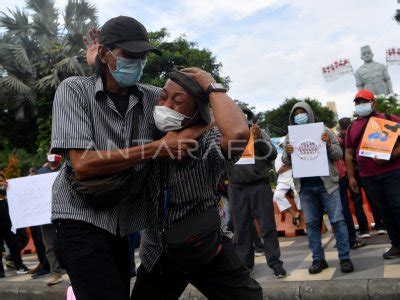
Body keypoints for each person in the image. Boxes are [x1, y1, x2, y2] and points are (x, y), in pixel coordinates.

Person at [51, 16, 197, 300]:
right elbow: (83, 165)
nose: (138, 63)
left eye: (142, 56)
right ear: (105, 54)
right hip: (80, 217)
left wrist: (210, 88)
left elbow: (203, 117)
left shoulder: (152, 98)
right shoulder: (73, 91)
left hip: (123, 223)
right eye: (130, 56)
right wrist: (157, 148)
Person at [131, 67, 263, 300]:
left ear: (194, 112)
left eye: (178, 101)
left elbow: (238, 133)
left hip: (205, 245)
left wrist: (211, 84)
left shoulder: (209, 142)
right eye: (163, 96)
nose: (166, 106)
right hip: (158, 251)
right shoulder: (147, 133)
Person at [283, 101, 354, 274]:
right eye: (296, 114)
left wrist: (328, 143)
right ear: (293, 118)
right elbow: (285, 161)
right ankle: (318, 259)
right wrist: (288, 152)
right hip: (305, 187)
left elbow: (338, 154)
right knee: (313, 224)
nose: (300, 116)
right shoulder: (289, 137)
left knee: (338, 221)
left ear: (310, 113)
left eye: (303, 112)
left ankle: (345, 258)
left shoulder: (325, 131)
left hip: (327, 185)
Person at [226, 108, 287, 279]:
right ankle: (245, 266)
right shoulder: (226, 132)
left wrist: (259, 138)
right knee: (241, 229)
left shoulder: (257, 131)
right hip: (236, 187)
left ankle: (276, 264)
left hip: (259, 186)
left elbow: (273, 154)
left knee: (267, 227)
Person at [345, 89, 400, 259]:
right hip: (368, 177)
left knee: (398, 207)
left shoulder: (389, 119)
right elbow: (348, 153)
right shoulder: (352, 127)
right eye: (358, 103)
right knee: (384, 211)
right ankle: (396, 245)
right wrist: (352, 177)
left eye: (364, 101)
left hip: (393, 172)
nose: (361, 105)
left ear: (373, 103)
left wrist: (392, 155)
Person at [337, 118, 371, 238]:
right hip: (365, 170)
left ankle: (363, 229)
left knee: (357, 201)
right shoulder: (357, 134)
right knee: (372, 198)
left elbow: (342, 157)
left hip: (350, 174)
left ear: (340, 128)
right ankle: (380, 225)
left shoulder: (340, 140)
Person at [36, 154, 65, 285]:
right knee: (49, 245)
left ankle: (73, 270)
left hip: (64, 212)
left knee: (69, 241)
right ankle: (56, 273)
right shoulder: (40, 172)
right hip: (45, 214)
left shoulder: (66, 167)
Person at [0, 172, 29, 277]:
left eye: (2, 180)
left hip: (9, 223)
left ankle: (19, 265)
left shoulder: (9, 192)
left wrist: (9, 189)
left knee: (15, 244)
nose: (1, 183)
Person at [273, 138, 302, 226]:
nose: (284, 146)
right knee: (277, 196)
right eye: (283, 145)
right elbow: (279, 170)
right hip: (283, 181)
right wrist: (292, 165)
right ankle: (295, 214)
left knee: (298, 192)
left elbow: (299, 166)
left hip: (294, 178)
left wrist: (287, 165)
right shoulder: (278, 156)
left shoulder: (296, 153)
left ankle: (300, 213)